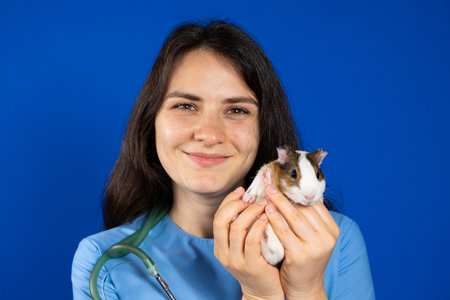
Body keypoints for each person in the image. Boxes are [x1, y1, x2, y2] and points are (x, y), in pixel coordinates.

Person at [72, 20, 375, 300]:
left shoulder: (336, 241)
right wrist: (260, 296)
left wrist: (306, 288)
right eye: (186, 105)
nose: (209, 134)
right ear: (151, 121)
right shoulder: (104, 262)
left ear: (263, 127)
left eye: (236, 110)